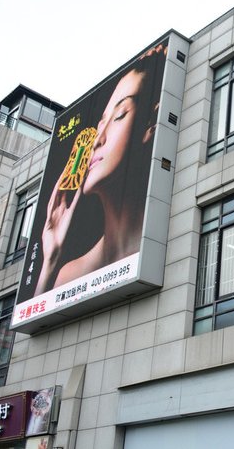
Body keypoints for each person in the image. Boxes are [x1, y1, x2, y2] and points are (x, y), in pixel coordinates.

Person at [34, 45, 164, 295]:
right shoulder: (67, 275)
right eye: (100, 122)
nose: (96, 140)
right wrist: (50, 260)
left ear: (152, 122)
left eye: (119, 115)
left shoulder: (159, 250)